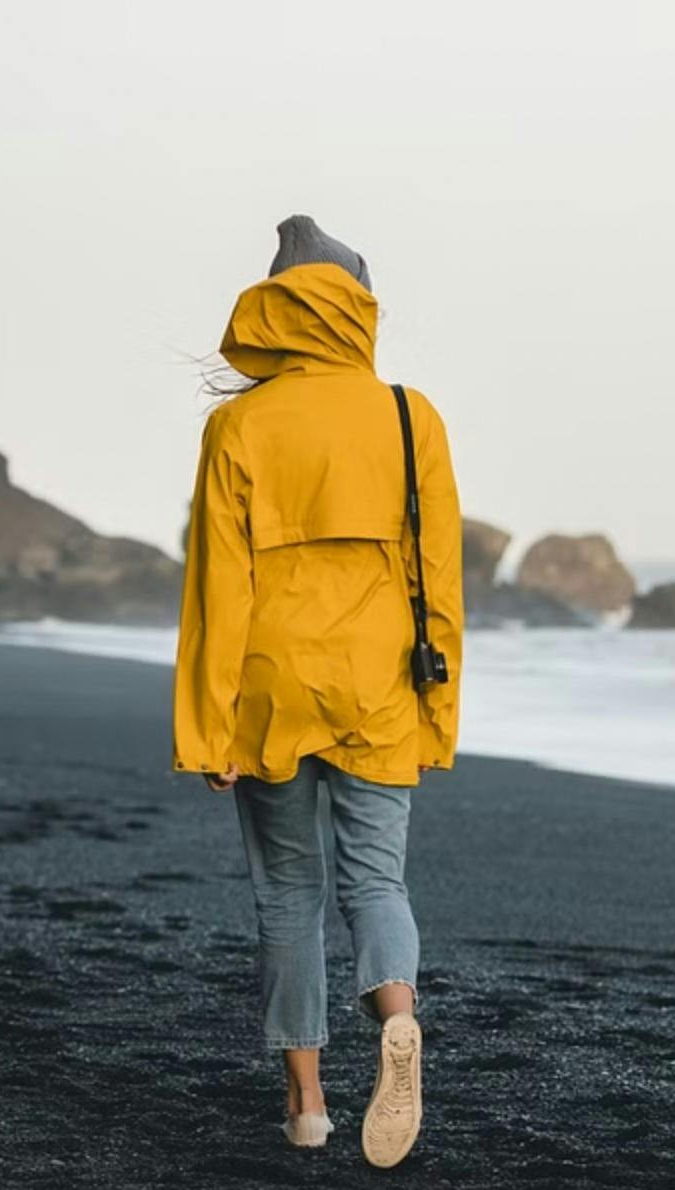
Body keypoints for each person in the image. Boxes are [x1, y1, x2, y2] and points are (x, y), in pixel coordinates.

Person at [173, 215, 464, 1168]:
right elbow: (439, 583)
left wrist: (206, 729)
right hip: (378, 684)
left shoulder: (239, 424)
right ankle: (396, 1015)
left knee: (287, 897)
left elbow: (218, 590)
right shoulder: (407, 416)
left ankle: (305, 1104)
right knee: (376, 880)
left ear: (276, 306)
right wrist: (438, 713)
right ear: (359, 305)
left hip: (269, 689)